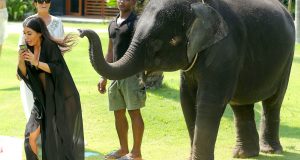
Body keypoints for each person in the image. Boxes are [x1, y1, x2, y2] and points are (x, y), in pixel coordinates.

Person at [17, 17, 84, 160]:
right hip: (40, 102)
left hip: (58, 100)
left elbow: (57, 69)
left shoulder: (50, 46)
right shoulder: (27, 49)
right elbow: (22, 75)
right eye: (24, 33)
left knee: (60, 143)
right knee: (30, 138)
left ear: (39, 33)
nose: (25, 37)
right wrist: (21, 60)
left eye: (29, 33)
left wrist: (36, 62)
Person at [98, 0, 146, 159]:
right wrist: (104, 76)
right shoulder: (112, 23)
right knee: (118, 113)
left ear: (133, 2)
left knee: (134, 112)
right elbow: (110, 52)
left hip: (132, 75)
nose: (121, 1)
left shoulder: (138, 23)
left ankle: (136, 152)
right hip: (115, 75)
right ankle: (123, 149)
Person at [19, 0, 64, 121]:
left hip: (49, 73)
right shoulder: (27, 22)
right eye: (40, 0)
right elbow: (22, 47)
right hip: (31, 73)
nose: (44, 3)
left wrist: (59, 74)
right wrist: (19, 70)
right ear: (34, 3)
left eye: (47, 0)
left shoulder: (58, 23)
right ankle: (35, 138)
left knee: (51, 111)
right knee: (32, 110)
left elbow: (60, 53)